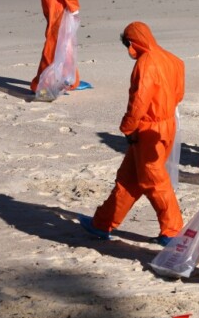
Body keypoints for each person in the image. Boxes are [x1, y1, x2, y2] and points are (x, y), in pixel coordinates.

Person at [79, 22, 185, 245]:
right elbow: (179, 94)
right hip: (167, 124)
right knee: (128, 179)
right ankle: (102, 223)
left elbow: (139, 101)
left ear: (133, 43)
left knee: (154, 180)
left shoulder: (146, 63)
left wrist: (128, 128)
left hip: (149, 128)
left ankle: (172, 230)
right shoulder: (172, 59)